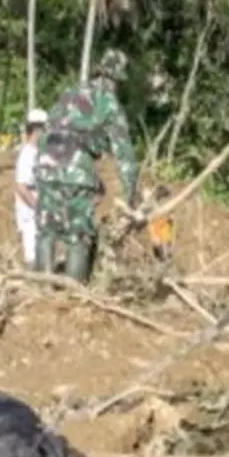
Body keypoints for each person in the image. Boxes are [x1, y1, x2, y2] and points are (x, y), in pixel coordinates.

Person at [34, 48, 139, 283]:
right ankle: (74, 295)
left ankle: (40, 289)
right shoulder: (110, 103)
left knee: (46, 229)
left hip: (45, 165)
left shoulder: (70, 93)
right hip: (77, 171)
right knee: (78, 234)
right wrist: (131, 196)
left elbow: (49, 127)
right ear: (117, 78)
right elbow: (125, 156)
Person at [14, 108, 46, 268]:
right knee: (32, 250)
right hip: (30, 207)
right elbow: (22, 186)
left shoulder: (40, 152)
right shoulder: (28, 154)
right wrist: (37, 206)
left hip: (38, 204)